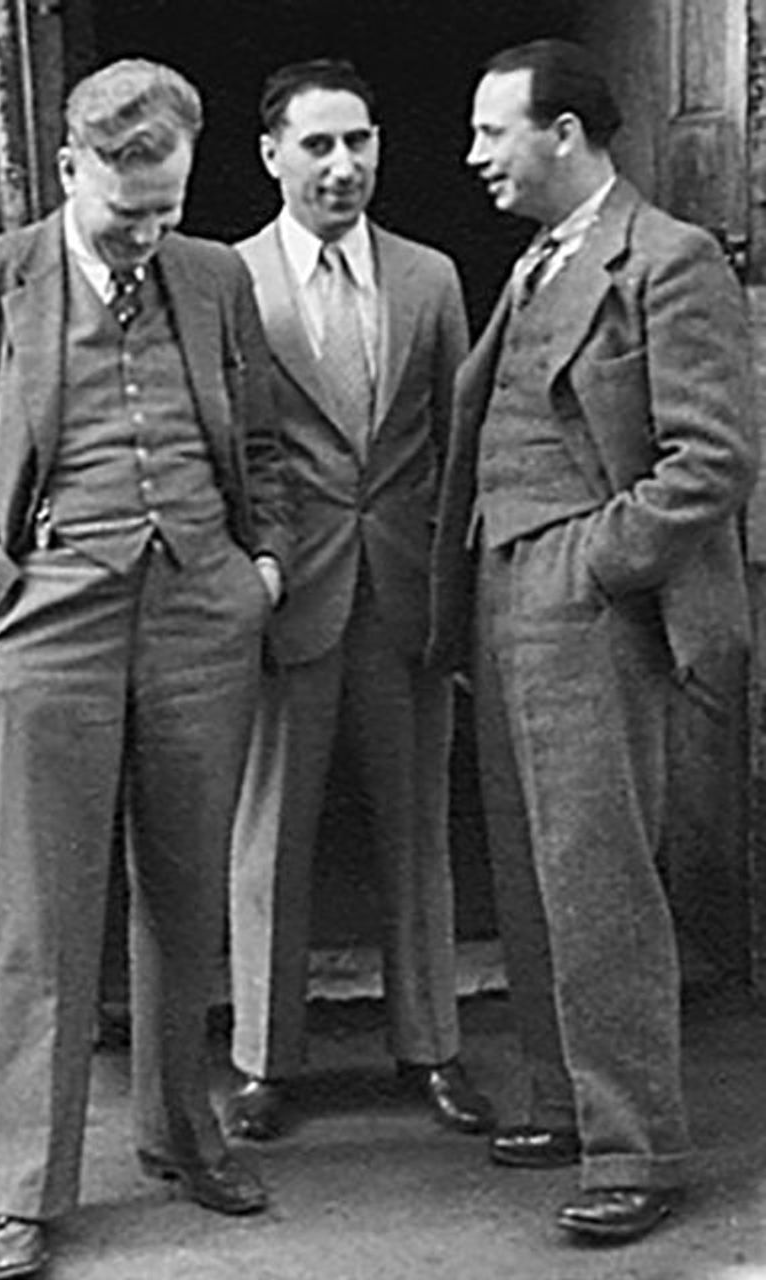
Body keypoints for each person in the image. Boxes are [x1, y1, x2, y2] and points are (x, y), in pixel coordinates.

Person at [0, 58, 290, 1280]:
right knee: (43, 915)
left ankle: (184, 1134)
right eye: (126, 212)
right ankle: (25, 1187)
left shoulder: (216, 275)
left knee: (187, 895)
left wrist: (260, 566)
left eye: (167, 208)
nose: (146, 234)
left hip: (200, 612)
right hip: (48, 619)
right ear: (70, 167)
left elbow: (261, 440)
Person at [429, 38, 756, 1242]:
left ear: (564, 134)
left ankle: (638, 1145)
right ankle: (568, 1099)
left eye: (493, 130)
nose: (475, 154)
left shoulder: (668, 259)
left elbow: (711, 459)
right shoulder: (538, 260)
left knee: (598, 875)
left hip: (588, 598)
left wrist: (593, 560)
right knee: (531, 866)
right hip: (505, 587)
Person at [225, 57, 492, 1142]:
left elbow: (459, 444)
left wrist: (456, 588)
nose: (344, 166)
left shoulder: (430, 277)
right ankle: (263, 1060)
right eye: (319, 145)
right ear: (270, 155)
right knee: (270, 833)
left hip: (402, 592)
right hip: (288, 593)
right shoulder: (228, 280)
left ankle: (432, 1047)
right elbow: (227, 449)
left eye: (360, 141)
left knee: (418, 827)